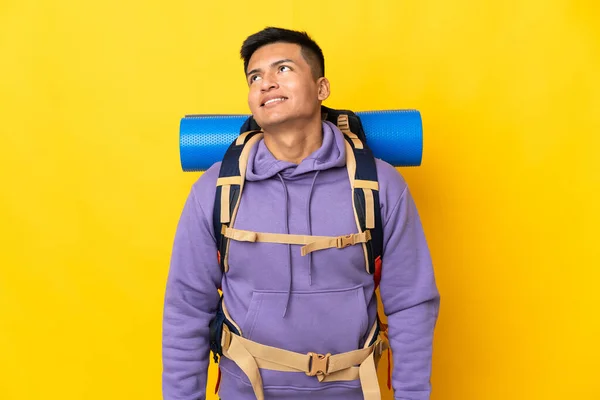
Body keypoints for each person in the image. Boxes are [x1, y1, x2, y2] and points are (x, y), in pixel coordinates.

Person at [162, 27, 440, 400]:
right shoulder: (215, 190)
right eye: (255, 77)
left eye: (284, 69)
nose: (267, 83)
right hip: (247, 390)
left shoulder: (380, 186)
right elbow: (185, 310)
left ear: (322, 88)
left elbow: (412, 305)